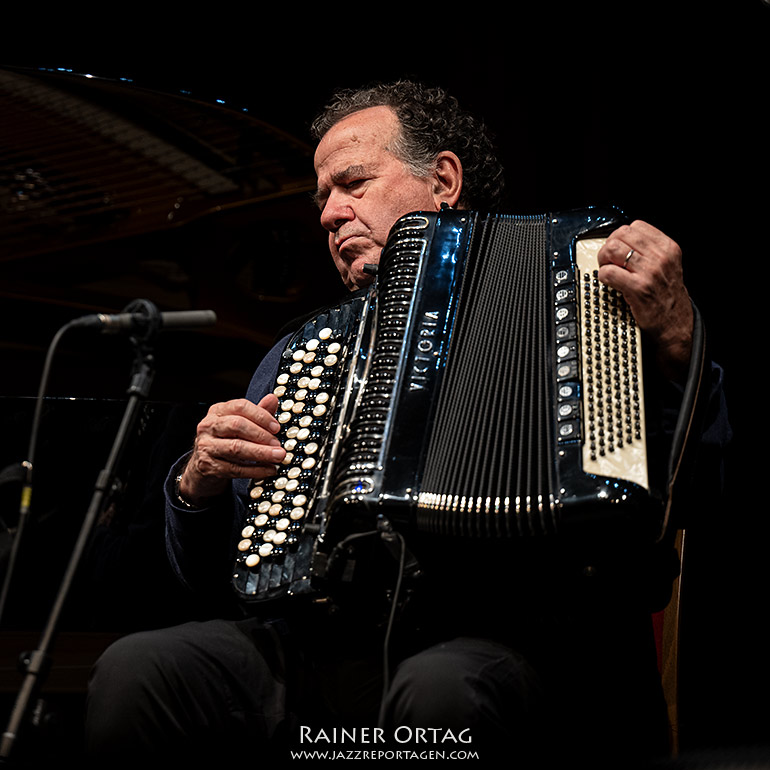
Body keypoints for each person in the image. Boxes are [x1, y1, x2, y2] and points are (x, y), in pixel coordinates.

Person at [84, 81, 730, 767]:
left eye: (353, 182)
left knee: (440, 693)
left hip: (521, 644)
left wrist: (678, 347)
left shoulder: (581, 297)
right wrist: (199, 486)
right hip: (327, 649)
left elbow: (697, 492)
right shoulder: (301, 352)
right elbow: (226, 577)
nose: (331, 213)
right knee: (141, 670)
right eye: (322, 199)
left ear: (444, 179)